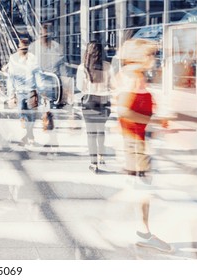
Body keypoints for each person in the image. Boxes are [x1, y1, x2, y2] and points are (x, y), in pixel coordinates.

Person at [115, 38, 172, 253]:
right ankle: (142, 232)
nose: (154, 59)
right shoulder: (133, 77)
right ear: (141, 56)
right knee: (142, 189)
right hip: (135, 143)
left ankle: (143, 231)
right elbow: (124, 111)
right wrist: (155, 121)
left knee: (140, 188)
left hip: (136, 140)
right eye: (151, 54)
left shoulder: (132, 75)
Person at [75, 42, 112, 173]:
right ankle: (101, 156)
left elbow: (80, 87)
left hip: (89, 101)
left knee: (91, 134)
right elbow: (111, 85)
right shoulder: (108, 66)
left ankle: (93, 164)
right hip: (104, 101)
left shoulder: (82, 68)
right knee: (101, 131)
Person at [7, 38, 42, 146]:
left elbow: (37, 74)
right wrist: (11, 94)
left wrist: (41, 90)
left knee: (31, 116)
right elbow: (10, 77)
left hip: (31, 91)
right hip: (20, 91)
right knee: (22, 115)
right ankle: (30, 135)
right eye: (22, 48)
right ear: (18, 48)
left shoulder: (33, 58)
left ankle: (29, 136)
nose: (23, 50)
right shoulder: (13, 59)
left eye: (25, 49)